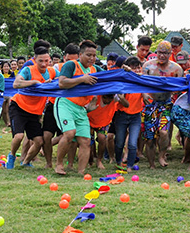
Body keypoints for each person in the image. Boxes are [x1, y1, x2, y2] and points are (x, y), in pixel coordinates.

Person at [53, 40, 102, 175]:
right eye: (88, 55)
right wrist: (82, 79)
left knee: (86, 141)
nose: (92, 58)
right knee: (69, 133)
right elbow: (62, 83)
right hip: (65, 104)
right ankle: (59, 165)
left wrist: (126, 71)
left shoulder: (95, 69)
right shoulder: (71, 65)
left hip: (81, 108)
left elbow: (111, 76)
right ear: (80, 54)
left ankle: (81, 172)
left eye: (94, 55)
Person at [8, 47, 56, 168]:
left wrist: (54, 82)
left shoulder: (51, 71)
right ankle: (12, 156)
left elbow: (63, 79)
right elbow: (16, 84)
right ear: (35, 60)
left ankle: (25, 162)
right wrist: (35, 83)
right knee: (19, 136)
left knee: (39, 141)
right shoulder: (28, 70)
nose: (44, 63)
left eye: (46, 60)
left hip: (34, 112)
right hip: (19, 107)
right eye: (41, 61)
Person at [141, 41, 183, 168]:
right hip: (150, 104)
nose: (162, 55)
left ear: (170, 54)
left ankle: (161, 155)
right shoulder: (148, 66)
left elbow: (179, 87)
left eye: (165, 53)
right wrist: (144, 94)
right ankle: (151, 163)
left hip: (166, 104)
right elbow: (141, 83)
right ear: (156, 52)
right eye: (160, 52)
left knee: (164, 132)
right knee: (149, 137)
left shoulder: (176, 69)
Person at [43, 43, 79, 170]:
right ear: (64, 58)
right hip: (53, 104)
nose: (70, 63)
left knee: (70, 136)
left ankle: (67, 163)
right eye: (68, 60)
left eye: (74, 60)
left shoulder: (79, 69)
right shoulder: (56, 68)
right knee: (46, 136)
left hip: (70, 106)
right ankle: (49, 162)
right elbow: (46, 80)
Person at [113, 56, 149, 172]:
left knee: (133, 144)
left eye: (138, 68)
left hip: (136, 116)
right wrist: (122, 99)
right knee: (119, 143)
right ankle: (118, 162)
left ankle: (129, 166)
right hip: (122, 116)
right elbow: (125, 103)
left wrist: (144, 94)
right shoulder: (122, 81)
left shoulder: (140, 80)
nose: (137, 70)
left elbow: (144, 82)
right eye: (134, 68)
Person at [87, 94, 127, 169]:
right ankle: (90, 161)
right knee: (88, 142)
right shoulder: (95, 97)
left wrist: (122, 98)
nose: (108, 101)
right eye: (105, 98)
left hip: (104, 122)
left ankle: (99, 160)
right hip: (90, 121)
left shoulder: (115, 97)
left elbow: (126, 105)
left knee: (102, 138)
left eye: (110, 98)